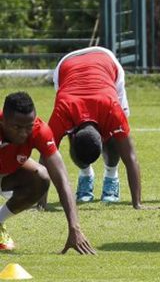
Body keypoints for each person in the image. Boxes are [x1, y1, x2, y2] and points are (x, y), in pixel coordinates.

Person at [46, 46, 150, 209]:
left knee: (116, 137)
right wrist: (40, 203)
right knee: (68, 129)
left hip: (107, 63)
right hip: (66, 65)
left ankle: (111, 176)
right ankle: (85, 174)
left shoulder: (112, 109)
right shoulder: (63, 109)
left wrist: (137, 203)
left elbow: (130, 156)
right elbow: (47, 155)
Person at [0, 92, 95, 253]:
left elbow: (62, 180)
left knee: (41, 177)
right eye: (17, 127)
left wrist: (74, 228)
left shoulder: (40, 130)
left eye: (28, 126)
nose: (24, 133)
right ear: (3, 122)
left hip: (7, 173)